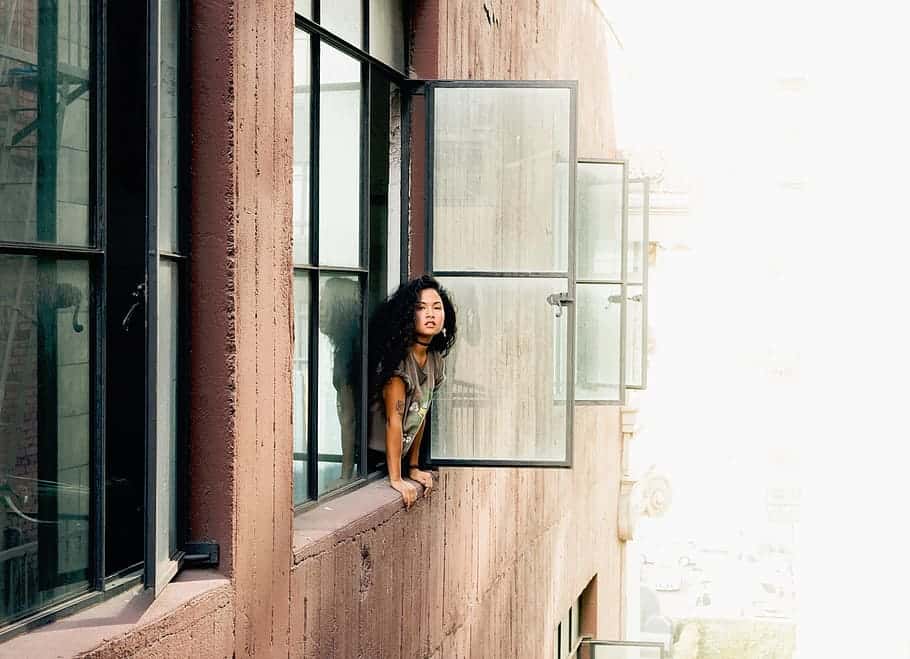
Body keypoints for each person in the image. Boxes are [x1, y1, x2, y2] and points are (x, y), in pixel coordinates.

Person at [367, 275, 457, 509]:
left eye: (437, 307)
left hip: (401, 458)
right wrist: (396, 479)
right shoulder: (398, 362)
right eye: (421, 308)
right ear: (408, 314)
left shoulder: (435, 359)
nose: (430, 314)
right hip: (375, 462)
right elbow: (393, 421)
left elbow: (420, 413)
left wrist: (414, 468)